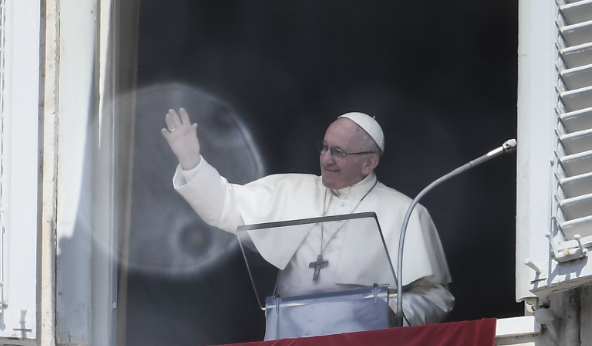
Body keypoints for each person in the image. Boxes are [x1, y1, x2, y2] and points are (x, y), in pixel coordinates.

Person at [162, 107, 454, 327]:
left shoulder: (405, 212)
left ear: (369, 162)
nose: (326, 158)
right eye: (324, 147)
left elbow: (435, 297)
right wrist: (191, 161)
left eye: (338, 152)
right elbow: (224, 205)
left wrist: (392, 310)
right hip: (289, 341)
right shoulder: (289, 189)